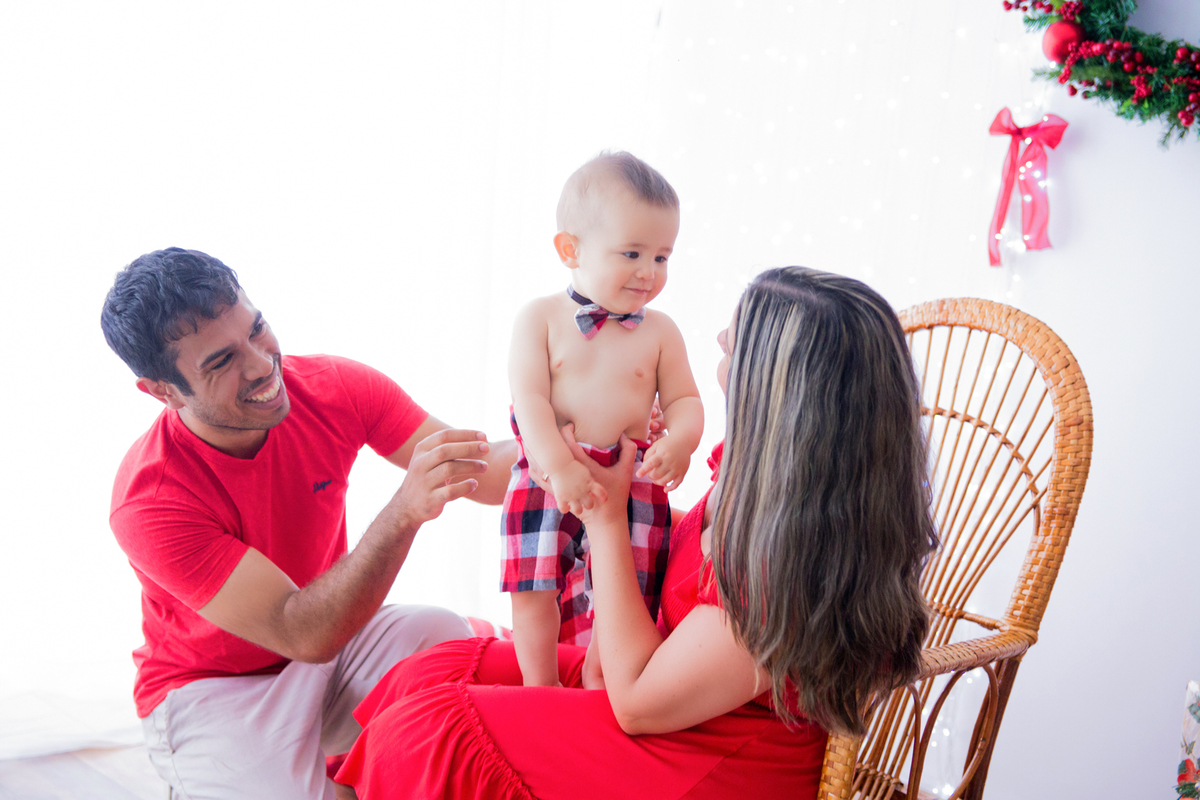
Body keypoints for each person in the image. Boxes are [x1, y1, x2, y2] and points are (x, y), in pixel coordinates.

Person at [331, 266, 940, 799]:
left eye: (740, 334)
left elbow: (636, 701)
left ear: (785, 392)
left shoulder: (788, 572)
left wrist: (603, 516)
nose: (721, 337)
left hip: (713, 753)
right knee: (433, 669)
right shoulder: (781, 491)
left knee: (433, 733)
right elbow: (689, 552)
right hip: (670, 690)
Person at [101, 247, 520, 800]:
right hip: (212, 688)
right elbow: (300, 630)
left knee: (442, 634)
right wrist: (402, 512)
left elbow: (484, 471)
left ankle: (349, 763)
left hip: (328, 644)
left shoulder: (333, 387)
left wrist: (592, 442)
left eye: (257, 329)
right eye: (221, 361)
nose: (259, 364)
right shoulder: (149, 500)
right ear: (162, 391)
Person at [503, 151, 703, 687]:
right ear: (572, 249)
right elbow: (530, 402)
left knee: (628, 594)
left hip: (630, 483)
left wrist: (681, 441)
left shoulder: (660, 331)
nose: (649, 272)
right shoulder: (540, 318)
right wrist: (558, 467)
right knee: (533, 589)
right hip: (549, 475)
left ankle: (600, 680)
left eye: (662, 257)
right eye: (632, 253)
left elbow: (685, 400)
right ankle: (539, 686)